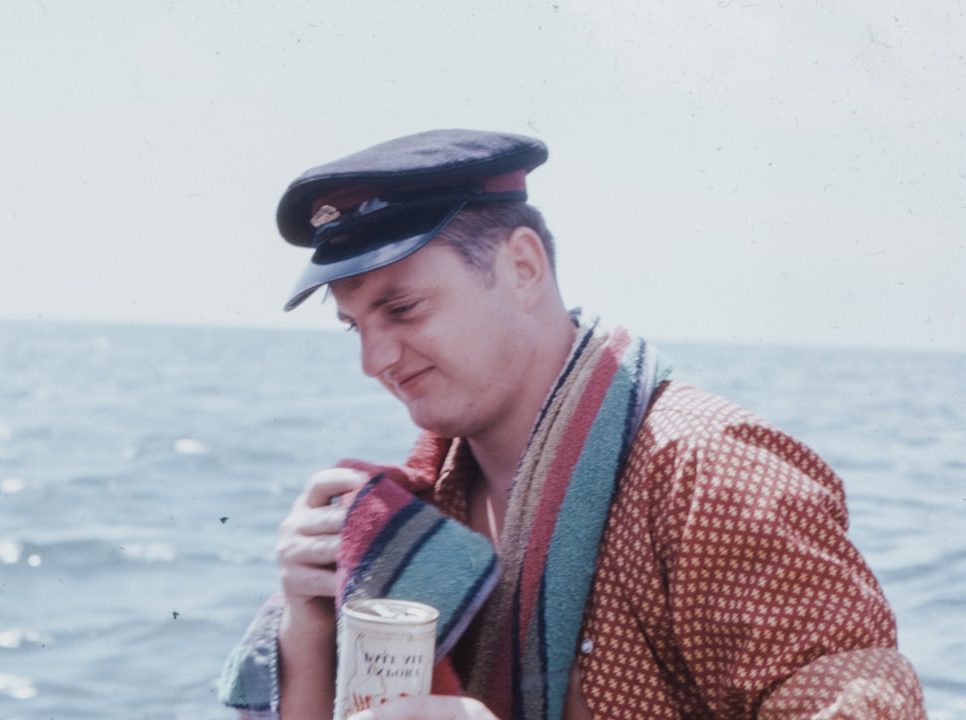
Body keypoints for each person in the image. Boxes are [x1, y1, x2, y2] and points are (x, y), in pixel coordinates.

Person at [219, 129, 924, 719]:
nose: (375, 360)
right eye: (354, 327)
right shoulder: (409, 512)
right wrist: (307, 619)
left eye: (402, 310)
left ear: (523, 268)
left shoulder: (709, 471)